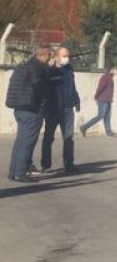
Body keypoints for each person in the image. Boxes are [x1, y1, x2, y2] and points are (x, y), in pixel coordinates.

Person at [6, 46, 53, 182]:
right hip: (32, 109)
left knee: (20, 141)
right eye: (49, 55)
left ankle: (14, 172)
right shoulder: (38, 68)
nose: (50, 59)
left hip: (19, 108)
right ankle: (20, 173)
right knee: (27, 142)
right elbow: (39, 87)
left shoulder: (23, 66)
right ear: (43, 55)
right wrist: (43, 103)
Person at [39, 46, 80, 174]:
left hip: (68, 109)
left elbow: (72, 87)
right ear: (57, 57)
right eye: (64, 56)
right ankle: (46, 165)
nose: (66, 58)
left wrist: (77, 101)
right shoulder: (50, 72)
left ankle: (69, 164)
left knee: (68, 138)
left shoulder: (69, 70)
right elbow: (45, 92)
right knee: (48, 137)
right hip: (53, 110)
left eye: (68, 56)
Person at [80, 63, 117, 137]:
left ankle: (108, 132)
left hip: (108, 100)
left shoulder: (110, 77)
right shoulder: (105, 77)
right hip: (103, 100)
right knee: (100, 116)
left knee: (107, 116)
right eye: (115, 69)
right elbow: (100, 87)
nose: (116, 71)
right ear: (111, 69)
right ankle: (84, 127)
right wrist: (96, 97)